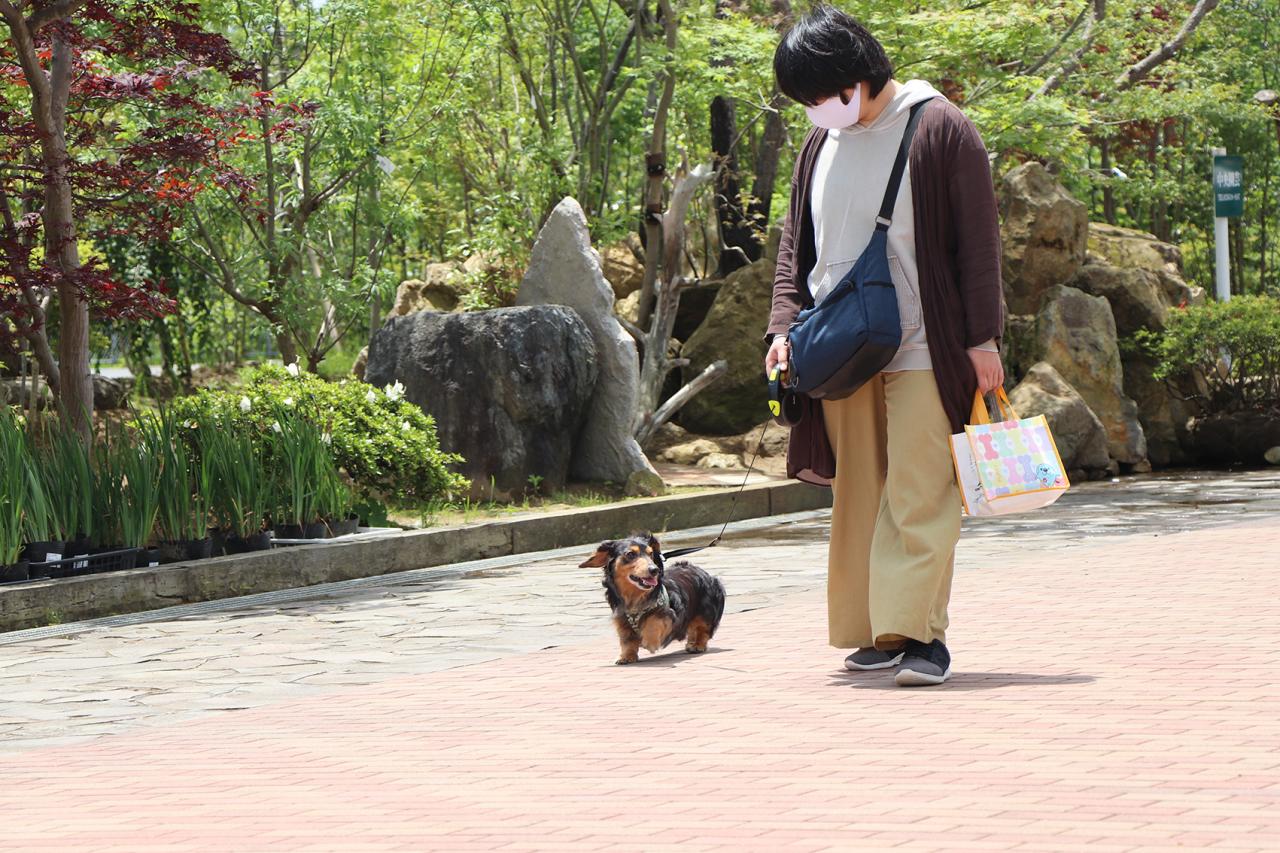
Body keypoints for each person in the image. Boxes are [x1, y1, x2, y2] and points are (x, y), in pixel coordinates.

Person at [764, 5, 1005, 687]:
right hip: (840, 347)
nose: (815, 109)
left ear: (857, 75)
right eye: (805, 99)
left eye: (820, 93)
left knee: (920, 489)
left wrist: (983, 336)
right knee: (860, 493)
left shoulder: (940, 128)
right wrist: (783, 329)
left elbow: (979, 245)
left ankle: (922, 635)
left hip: (927, 345)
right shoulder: (820, 144)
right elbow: (795, 249)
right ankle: (876, 628)